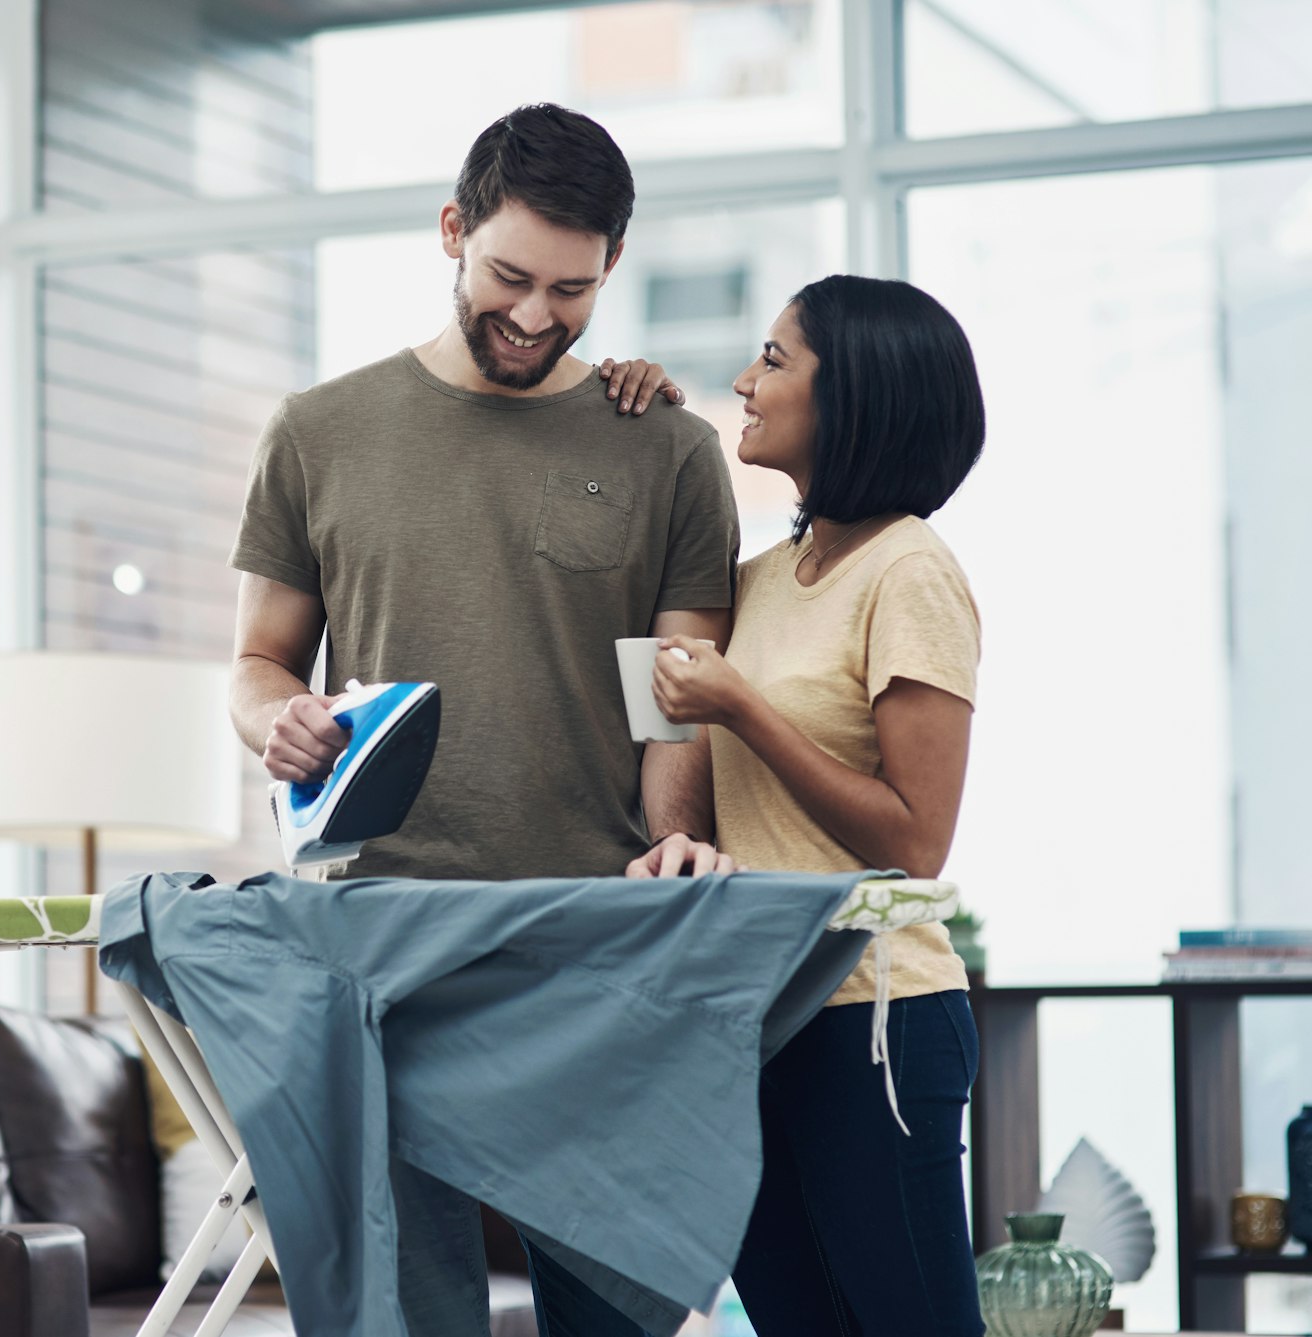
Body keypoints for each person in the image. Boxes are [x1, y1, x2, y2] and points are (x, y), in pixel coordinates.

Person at [229, 103, 737, 1333]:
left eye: (571, 288)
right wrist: (279, 724)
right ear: (451, 231)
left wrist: (670, 847)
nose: (533, 313)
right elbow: (256, 662)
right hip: (382, 945)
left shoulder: (664, 445)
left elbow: (670, 694)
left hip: (594, 946)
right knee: (411, 1310)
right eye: (508, 275)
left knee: (616, 1308)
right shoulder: (317, 431)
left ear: (611, 265)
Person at [645, 274, 987, 1336]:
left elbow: (913, 839)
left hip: (870, 1016)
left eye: (774, 360)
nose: (744, 381)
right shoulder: (756, 577)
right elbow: (693, 778)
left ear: (856, 398)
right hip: (750, 1014)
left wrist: (742, 705)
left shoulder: (909, 571)